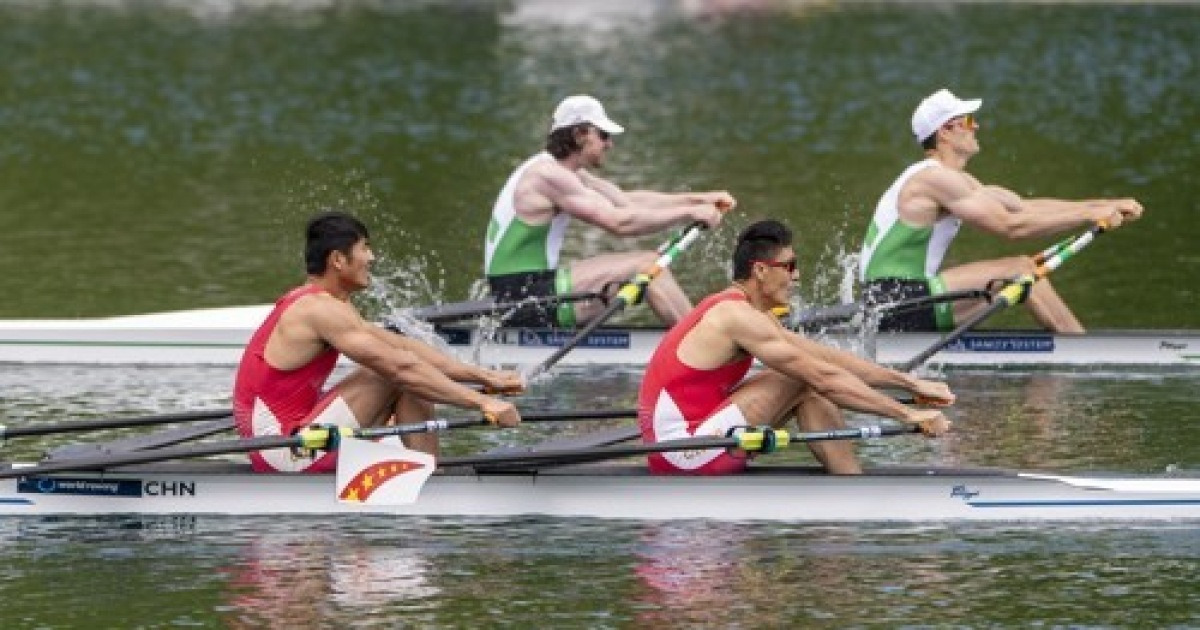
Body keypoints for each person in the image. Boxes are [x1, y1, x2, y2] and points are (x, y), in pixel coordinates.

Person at [638, 219, 953, 475]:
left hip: (702, 435)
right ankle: (854, 493)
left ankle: (850, 486)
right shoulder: (734, 316)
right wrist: (907, 415)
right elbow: (824, 376)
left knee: (808, 382)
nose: (797, 275)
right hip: (682, 453)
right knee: (801, 379)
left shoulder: (748, 312)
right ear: (761, 270)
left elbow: (828, 359)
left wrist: (910, 383)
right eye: (790, 266)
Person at [233, 211, 523, 473]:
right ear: (337, 260)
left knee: (406, 367)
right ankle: (433, 484)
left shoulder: (324, 304)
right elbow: (400, 367)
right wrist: (483, 402)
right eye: (364, 248)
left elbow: (403, 347)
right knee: (395, 373)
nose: (371, 258)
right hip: (282, 451)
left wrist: (484, 376)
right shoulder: (318, 310)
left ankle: (431, 475)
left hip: (295, 437)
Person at [858, 88, 1144, 333]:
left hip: (903, 301)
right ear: (945, 132)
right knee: (1020, 269)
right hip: (895, 303)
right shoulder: (932, 179)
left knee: (1024, 268)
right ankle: (1084, 352)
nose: (977, 126)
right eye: (968, 121)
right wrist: (1088, 216)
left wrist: (1104, 205)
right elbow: (1011, 227)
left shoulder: (957, 181)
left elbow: (1023, 207)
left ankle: (1076, 344)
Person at [483, 94, 733, 328]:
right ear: (580, 134)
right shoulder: (547, 176)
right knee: (648, 266)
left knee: (649, 264)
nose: (610, 144)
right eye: (603, 135)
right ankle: (703, 349)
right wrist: (689, 214)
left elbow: (625, 202)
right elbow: (620, 224)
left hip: (532, 288)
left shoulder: (560, 170)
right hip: (521, 297)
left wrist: (698, 200)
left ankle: (698, 342)